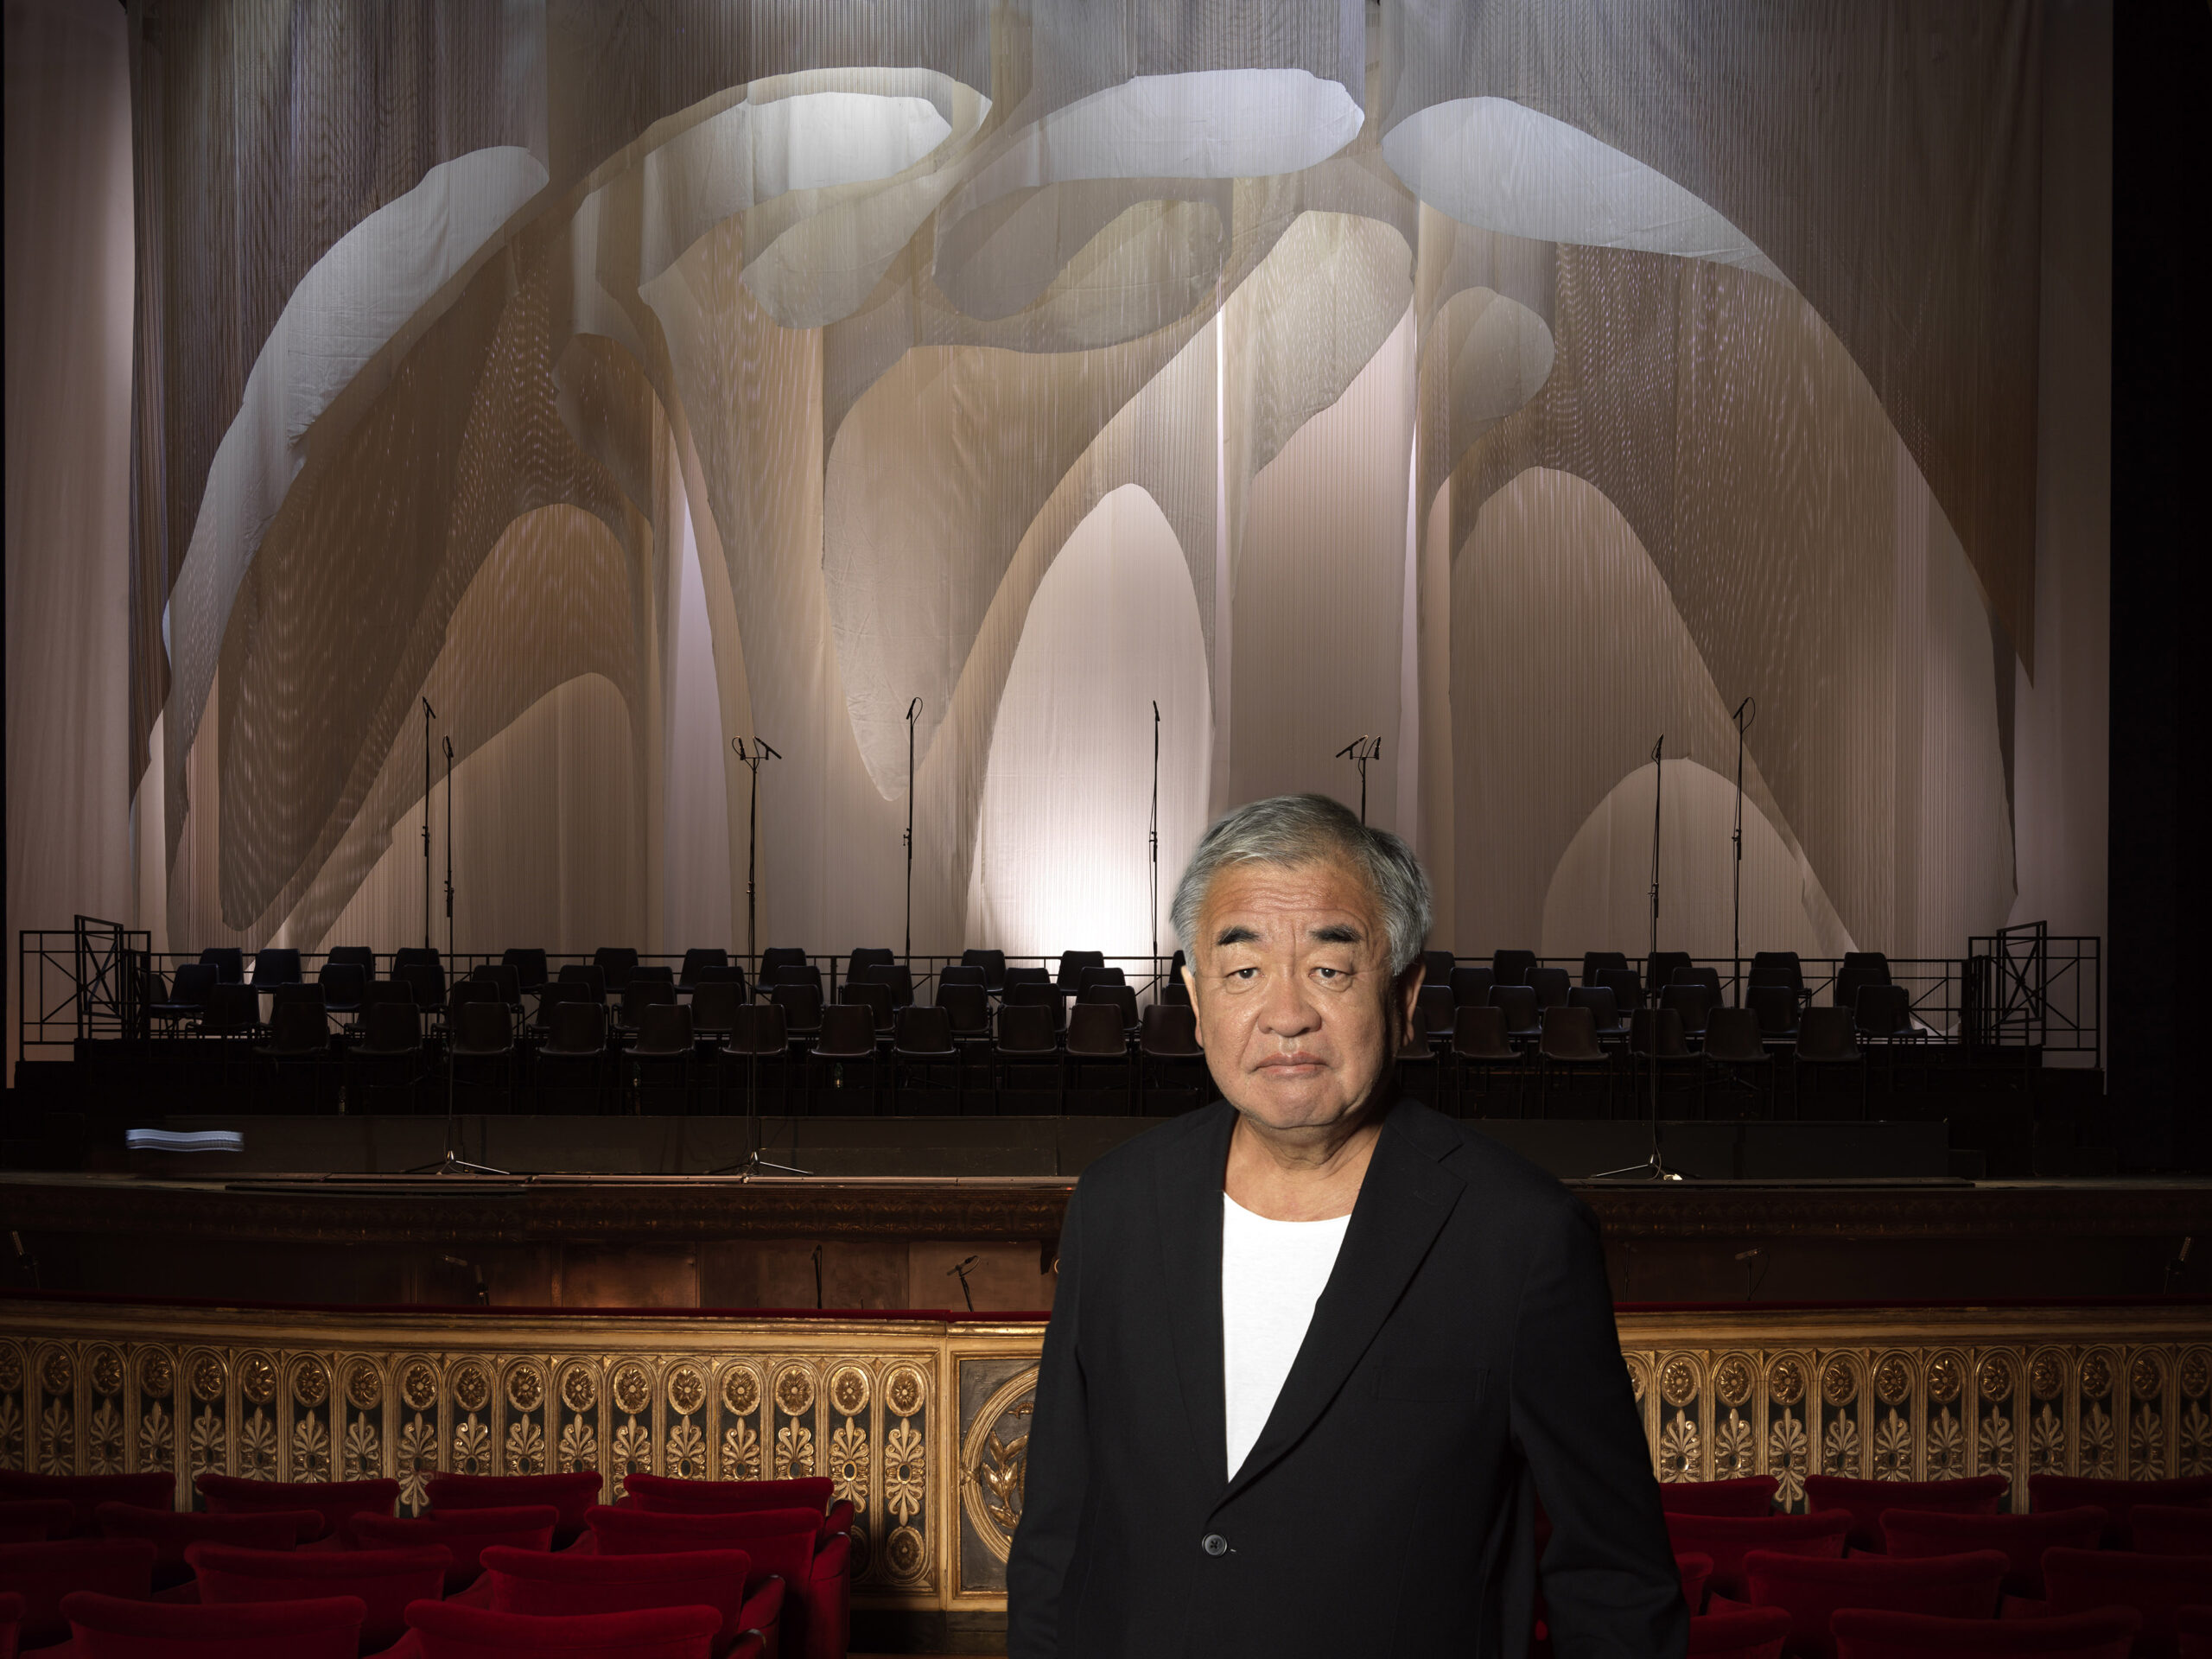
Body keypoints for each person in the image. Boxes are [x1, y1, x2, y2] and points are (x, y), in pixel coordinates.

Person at [1007, 794, 1685, 1657]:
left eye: (1329, 970)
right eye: (1243, 971)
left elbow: (1616, 1582)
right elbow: (1057, 1537)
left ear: (1405, 996)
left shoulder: (1520, 1236)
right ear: (1195, 998)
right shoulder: (1115, 1206)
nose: (1286, 1014)